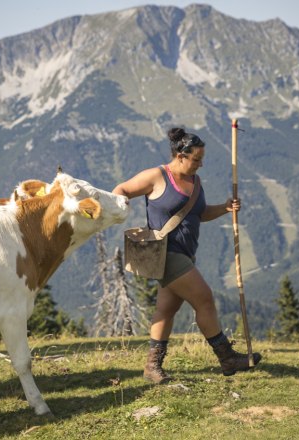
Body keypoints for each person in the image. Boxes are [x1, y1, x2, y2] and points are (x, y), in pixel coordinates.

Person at [112, 127, 261, 383]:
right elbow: (121, 190)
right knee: (204, 299)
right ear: (180, 155)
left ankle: (151, 367)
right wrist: (121, 211)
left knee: (166, 310)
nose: (200, 165)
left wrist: (225, 208)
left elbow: (199, 214)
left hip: (186, 254)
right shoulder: (157, 176)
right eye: (196, 159)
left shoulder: (195, 182)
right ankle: (227, 358)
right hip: (166, 253)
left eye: (202, 160)